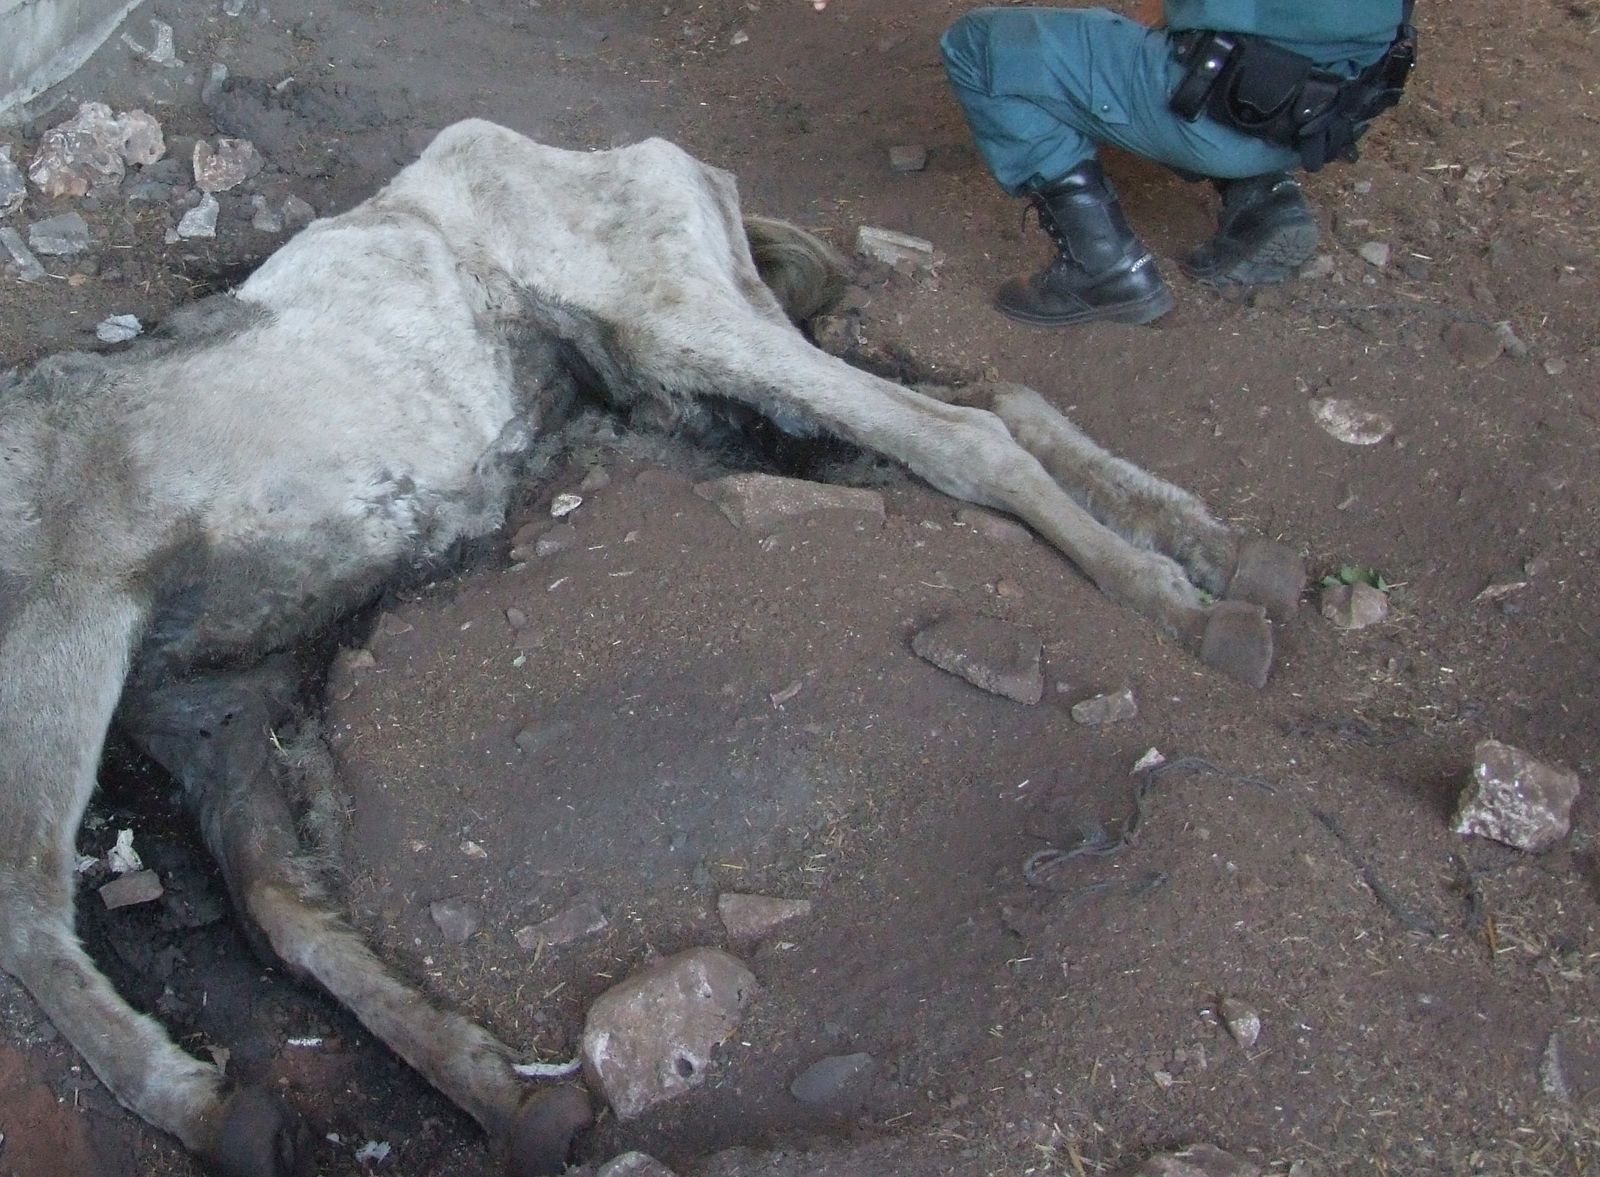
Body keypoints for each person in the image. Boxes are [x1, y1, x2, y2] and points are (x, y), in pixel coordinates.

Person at [939, 1, 1413, 327]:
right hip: (1333, 113)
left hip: (1222, 110)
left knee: (977, 44)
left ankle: (1102, 267)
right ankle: (1262, 199)